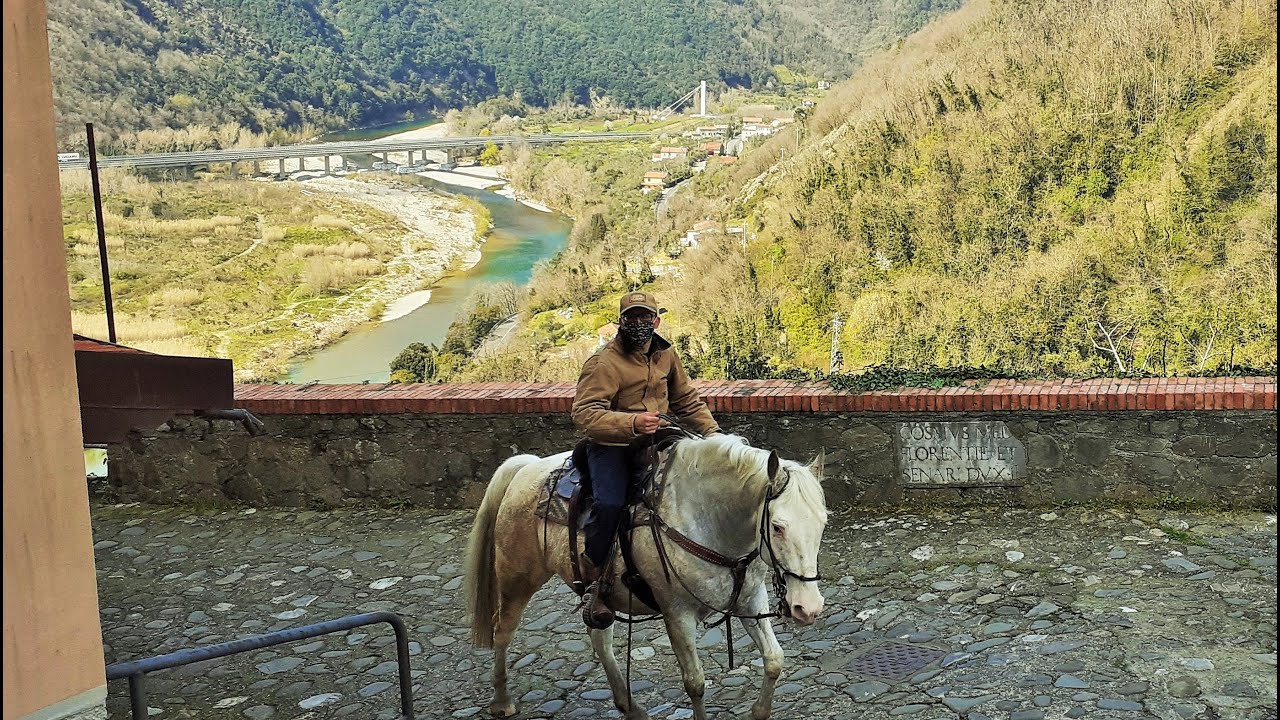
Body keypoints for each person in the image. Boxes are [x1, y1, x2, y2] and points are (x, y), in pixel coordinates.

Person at [570, 291, 720, 628]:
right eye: (632, 318)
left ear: (657, 320)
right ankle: (594, 579)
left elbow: (686, 400)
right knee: (610, 504)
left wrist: (712, 436)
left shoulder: (665, 354)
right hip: (612, 445)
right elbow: (584, 414)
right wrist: (631, 423)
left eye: (645, 317)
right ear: (621, 321)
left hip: (661, 438)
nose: (639, 324)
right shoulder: (603, 362)